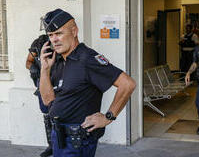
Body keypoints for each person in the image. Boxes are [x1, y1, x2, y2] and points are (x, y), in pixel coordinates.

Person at [39, 8, 136, 157]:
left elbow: (127, 84)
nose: (54, 39)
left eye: (59, 33)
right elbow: (47, 100)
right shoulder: (57, 60)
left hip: (77, 141)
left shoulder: (87, 58)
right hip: (58, 137)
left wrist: (108, 117)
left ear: (74, 31)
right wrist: (45, 69)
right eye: (51, 35)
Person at [26, 34, 54, 157]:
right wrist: (33, 68)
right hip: (42, 82)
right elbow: (28, 62)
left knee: (61, 113)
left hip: (59, 82)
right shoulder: (38, 43)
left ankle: (61, 144)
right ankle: (51, 146)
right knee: (46, 113)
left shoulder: (62, 42)